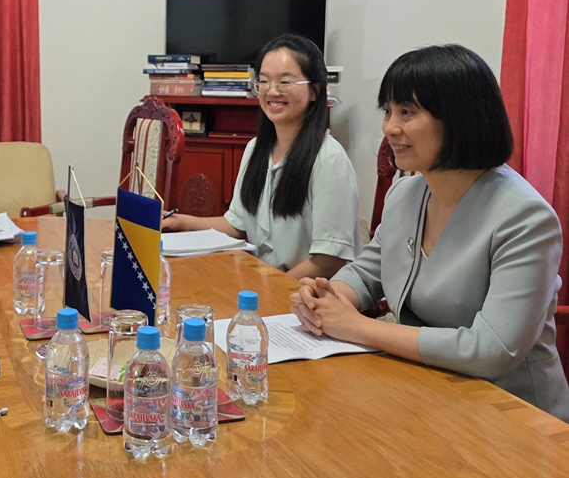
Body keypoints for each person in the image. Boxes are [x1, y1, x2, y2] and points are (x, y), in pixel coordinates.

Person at [289, 44, 569, 422]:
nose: (390, 127)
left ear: (459, 118)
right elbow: (367, 271)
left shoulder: (526, 218)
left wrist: (358, 327)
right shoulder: (405, 194)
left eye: (407, 112)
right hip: (427, 392)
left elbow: (493, 350)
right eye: (387, 111)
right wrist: (327, 297)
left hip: (512, 415)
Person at [163, 34, 360, 279]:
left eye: (285, 82)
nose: (272, 91)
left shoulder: (329, 159)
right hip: (263, 283)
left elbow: (330, 260)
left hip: (307, 293)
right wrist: (180, 221)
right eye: (264, 81)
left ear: (315, 91)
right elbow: (236, 225)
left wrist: (272, 290)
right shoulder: (255, 149)